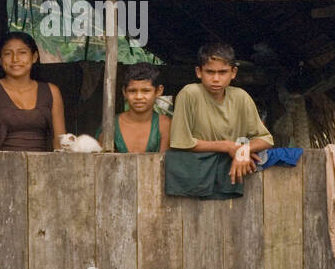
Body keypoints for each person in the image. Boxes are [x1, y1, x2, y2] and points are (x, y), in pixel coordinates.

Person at [170, 42, 273, 184]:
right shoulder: (190, 93)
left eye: (223, 72)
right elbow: (181, 142)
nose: (216, 79)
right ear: (199, 72)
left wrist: (242, 151)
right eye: (210, 72)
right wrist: (227, 146)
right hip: (197, 175)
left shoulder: (241, 96)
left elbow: (266, 139)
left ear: (233, 73)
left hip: (234, 176)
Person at [0, 31, 66, 152]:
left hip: (43, 165)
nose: (15, 59)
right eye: (7, 53)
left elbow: (61, 142)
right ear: (0, 59)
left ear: (34, 57)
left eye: (22, 53)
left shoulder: (51, 91)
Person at [99, 63, 171, 153]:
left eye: (146, 91)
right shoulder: (110, 125)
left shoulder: (165, 125)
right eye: (132, 91)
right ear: (124, 92)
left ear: (159, 91)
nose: (139, 97)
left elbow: (164, 162)